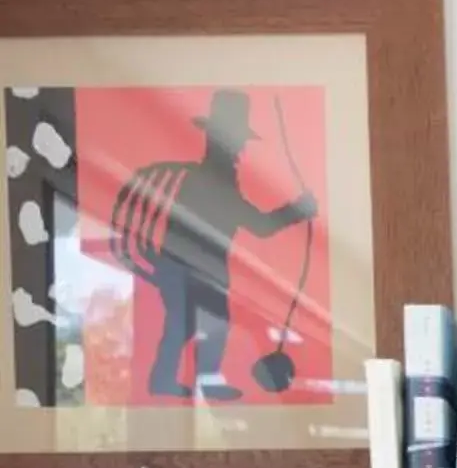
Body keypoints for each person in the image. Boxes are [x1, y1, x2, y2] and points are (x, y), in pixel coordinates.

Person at [109, 89, 316, 403]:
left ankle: (202, 377)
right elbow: (259, 226)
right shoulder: (208, 182)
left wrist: (297, 210)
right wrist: (298, 210)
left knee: (212, 321)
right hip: (182, 265)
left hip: (205, 266)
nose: (239, 150)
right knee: (183, 322)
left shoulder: (217, 181)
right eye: (235, 142)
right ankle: (165, 378)